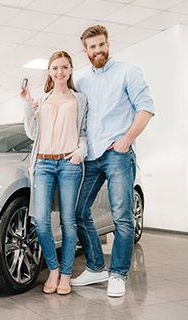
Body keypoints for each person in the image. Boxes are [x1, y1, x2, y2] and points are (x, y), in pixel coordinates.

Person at [70, 25, 155, 297]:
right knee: (78, 211)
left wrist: (127, 139)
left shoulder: (128, 71)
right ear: (85, 52)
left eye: (102, 45)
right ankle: (96, 267)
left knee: (122, 217)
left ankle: (118, 274)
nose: (98, 51)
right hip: (92, 157)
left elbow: (146, 108)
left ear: (108, 45)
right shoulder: (83, 81)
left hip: (118, 153)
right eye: (92, 47)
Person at [22, 51, 88, 295]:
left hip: (69, 163)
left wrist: (80, 152)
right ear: (49, 72)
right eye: (54, 68)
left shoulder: (80, 99)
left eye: (64, 67)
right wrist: (27, 104)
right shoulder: (43, 99)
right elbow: (32, 133)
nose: (59, 72)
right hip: (43, 163)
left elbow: (84, 131)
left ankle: (66, 275)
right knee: (40, 221)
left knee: (68, 222)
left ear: (71, 70)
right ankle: (53, 269)